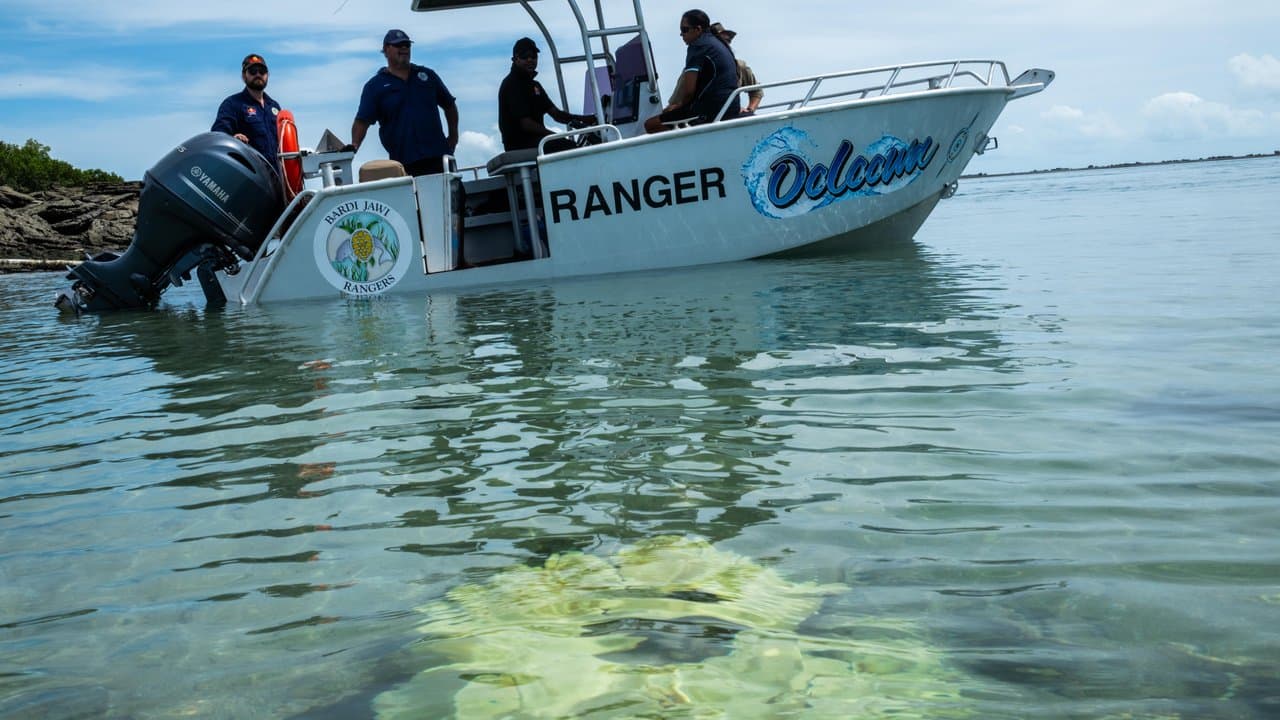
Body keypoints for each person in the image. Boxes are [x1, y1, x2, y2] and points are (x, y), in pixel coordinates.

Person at [351, 29, 460, 176]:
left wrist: (453, 136)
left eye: (407, 45)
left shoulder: (428, 76)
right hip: (404, 164)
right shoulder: (374, 86)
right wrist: (354, 147)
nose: (403, 48)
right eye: (398, 45)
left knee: (453, 197)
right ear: (386, 50)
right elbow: (362, 122)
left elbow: (449, 105)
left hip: (439, 158)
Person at [644, 9, 739, 134]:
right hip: (731, 106)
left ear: (698, 29)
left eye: (684, 30)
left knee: (650, 125)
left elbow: (689, 92)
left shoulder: (697, 47)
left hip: (710, 110)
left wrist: (678, 106)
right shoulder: (718, 43)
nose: (681, 35)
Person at [498, 37, 594, 153]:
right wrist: (554, 135)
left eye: (533, 56)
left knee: (573, 145)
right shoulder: (512, 84)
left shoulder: (535, 86)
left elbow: (556, 114)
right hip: (519, 144)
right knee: (569, 147)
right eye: (525, 56)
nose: (530, 60)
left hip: (536, 140)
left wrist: (588, 120)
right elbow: (526, 124)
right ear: (515, 59)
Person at [212, 54, 282, 167]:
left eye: (262, 71)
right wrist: (233, 139)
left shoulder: (274, 107)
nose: (258, 74)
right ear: (244, 76)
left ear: (268, 75)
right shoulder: (232, 104)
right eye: (253, 71)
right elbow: (218, 136)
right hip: (249, 175)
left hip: (275, 178)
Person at [710, 22, 763, 115]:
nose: (725, 44)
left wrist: (750, 110)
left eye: (728, 41)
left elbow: (756, 91)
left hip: (731, 116)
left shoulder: (739, 66)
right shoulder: (698, 66)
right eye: (719, 41)